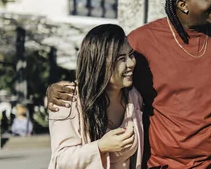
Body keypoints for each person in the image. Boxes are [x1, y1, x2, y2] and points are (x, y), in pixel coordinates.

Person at [46, 0, 211, 168]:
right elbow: (103, 69)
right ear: (183, 4)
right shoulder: (142, 41)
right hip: (163, 164)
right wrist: (58, 90)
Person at [48, 24, 143, 169]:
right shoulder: (67, 99)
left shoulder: (133, 98)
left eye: (131, 55)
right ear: (100, 64)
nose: (131, 63)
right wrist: (100, 147)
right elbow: (60, 159)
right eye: (121, 59)